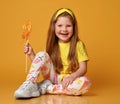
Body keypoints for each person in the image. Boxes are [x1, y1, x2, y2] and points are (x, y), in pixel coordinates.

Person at [14, 8, 91, 98]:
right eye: (60, 25)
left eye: (68, 26)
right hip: (53, 77)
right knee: (42, 54)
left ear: (74, 27)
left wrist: (72, 77)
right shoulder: (52, 44)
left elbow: (83, 68)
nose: (64, 29)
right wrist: (31, 54)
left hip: (69, 80)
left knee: (86, 82)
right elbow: (42, 65)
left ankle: (47, 87)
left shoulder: (78, 45)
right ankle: (30, 84)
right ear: (53, 27)